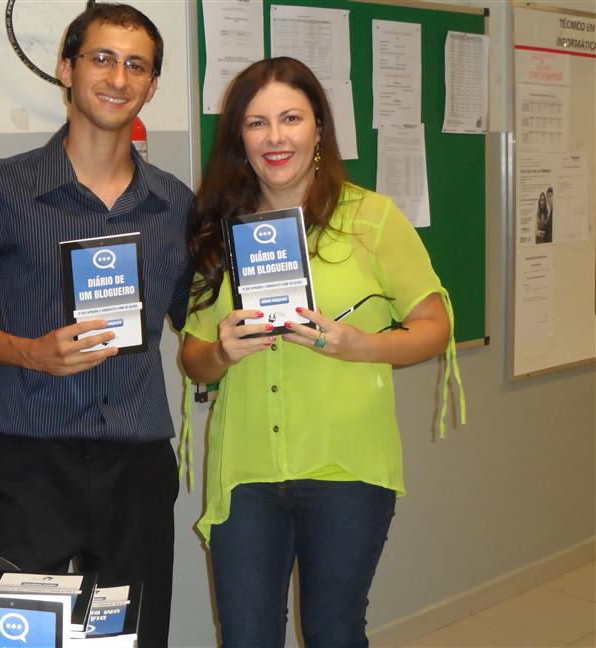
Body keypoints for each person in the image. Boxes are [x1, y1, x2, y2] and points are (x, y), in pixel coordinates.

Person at [0, 5, 192, 646]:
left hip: (138, 466)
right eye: (102, 58)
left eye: (137, 66)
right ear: (67, 69)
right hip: (33, 467)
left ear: (151, 86)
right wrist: (28, 352)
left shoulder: (175, 204)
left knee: (133, 638)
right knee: (16, 640)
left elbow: (200, 321)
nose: (118, 77)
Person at [181, 58, 458, 647]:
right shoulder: (220, 229)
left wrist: (360, 345)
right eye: (257, 124)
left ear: (319, 130)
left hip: (346, 467)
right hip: (247, 470)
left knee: (334, 633)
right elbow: (192, 356)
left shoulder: (372, 219)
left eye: (290, 119)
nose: (275, 137)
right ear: (239, 138)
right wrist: (223, 353)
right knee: (246, 638)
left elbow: (434, 327)